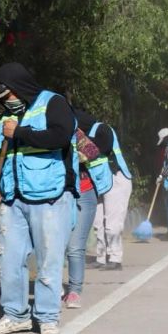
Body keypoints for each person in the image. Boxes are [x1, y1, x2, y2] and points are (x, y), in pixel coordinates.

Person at [0, 63, 78, 334]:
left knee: (49, 257)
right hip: (13, 199)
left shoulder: (53, 103)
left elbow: (62, 136)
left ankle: (48, 317)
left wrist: (21, 133)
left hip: (50, 195)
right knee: (9, 258)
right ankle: (15, 315)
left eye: (4, 97)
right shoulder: (4, 120)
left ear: (16, 89)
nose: (1, 104)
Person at [78, 112, 133, 272]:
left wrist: (80, 143)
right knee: (97, 222)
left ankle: (115, 258)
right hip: (99, 183)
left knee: (112, 223)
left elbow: (102, 147)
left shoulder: (102, 129)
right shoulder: (81, 137)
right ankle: (101, 257)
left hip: (116, 179)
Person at [63, 109, 100, 309]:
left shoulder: (72, 131)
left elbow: (93, 151)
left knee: (75, 246)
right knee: (55, 245)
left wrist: (75, 155)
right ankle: (54, 289)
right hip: (56, 196)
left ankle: (75, 290)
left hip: (84, 193)